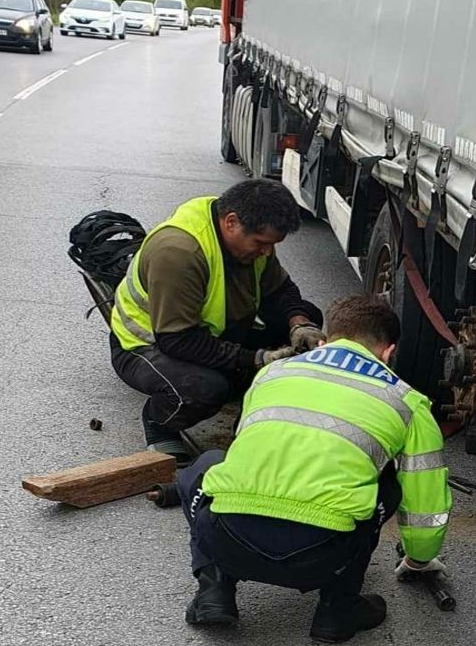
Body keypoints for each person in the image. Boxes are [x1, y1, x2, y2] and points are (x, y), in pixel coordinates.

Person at [174, 294, 452, 643]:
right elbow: (425, 498)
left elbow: (244, 446)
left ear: (324, 341)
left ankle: (213, 590)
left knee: (207, 466)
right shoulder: (407, 401)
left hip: (227, 536)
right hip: (322, 554)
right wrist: (419, 559)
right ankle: (337, 610)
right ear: (388, 353)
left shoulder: (270, 374)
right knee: (388, 483)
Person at [109, 180, 326, 467]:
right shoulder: (180, 252)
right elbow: (178, 340)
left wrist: (300, 324)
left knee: (305, 316)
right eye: (261, 243)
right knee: (205, 389)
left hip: (211, 332)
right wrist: (257, 358)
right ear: (232, 222)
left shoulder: (248, 233)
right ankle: (160, 422)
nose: (266, 252)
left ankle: (243, 379)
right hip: (146, 346)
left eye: (272, 245)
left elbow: (280, 291)